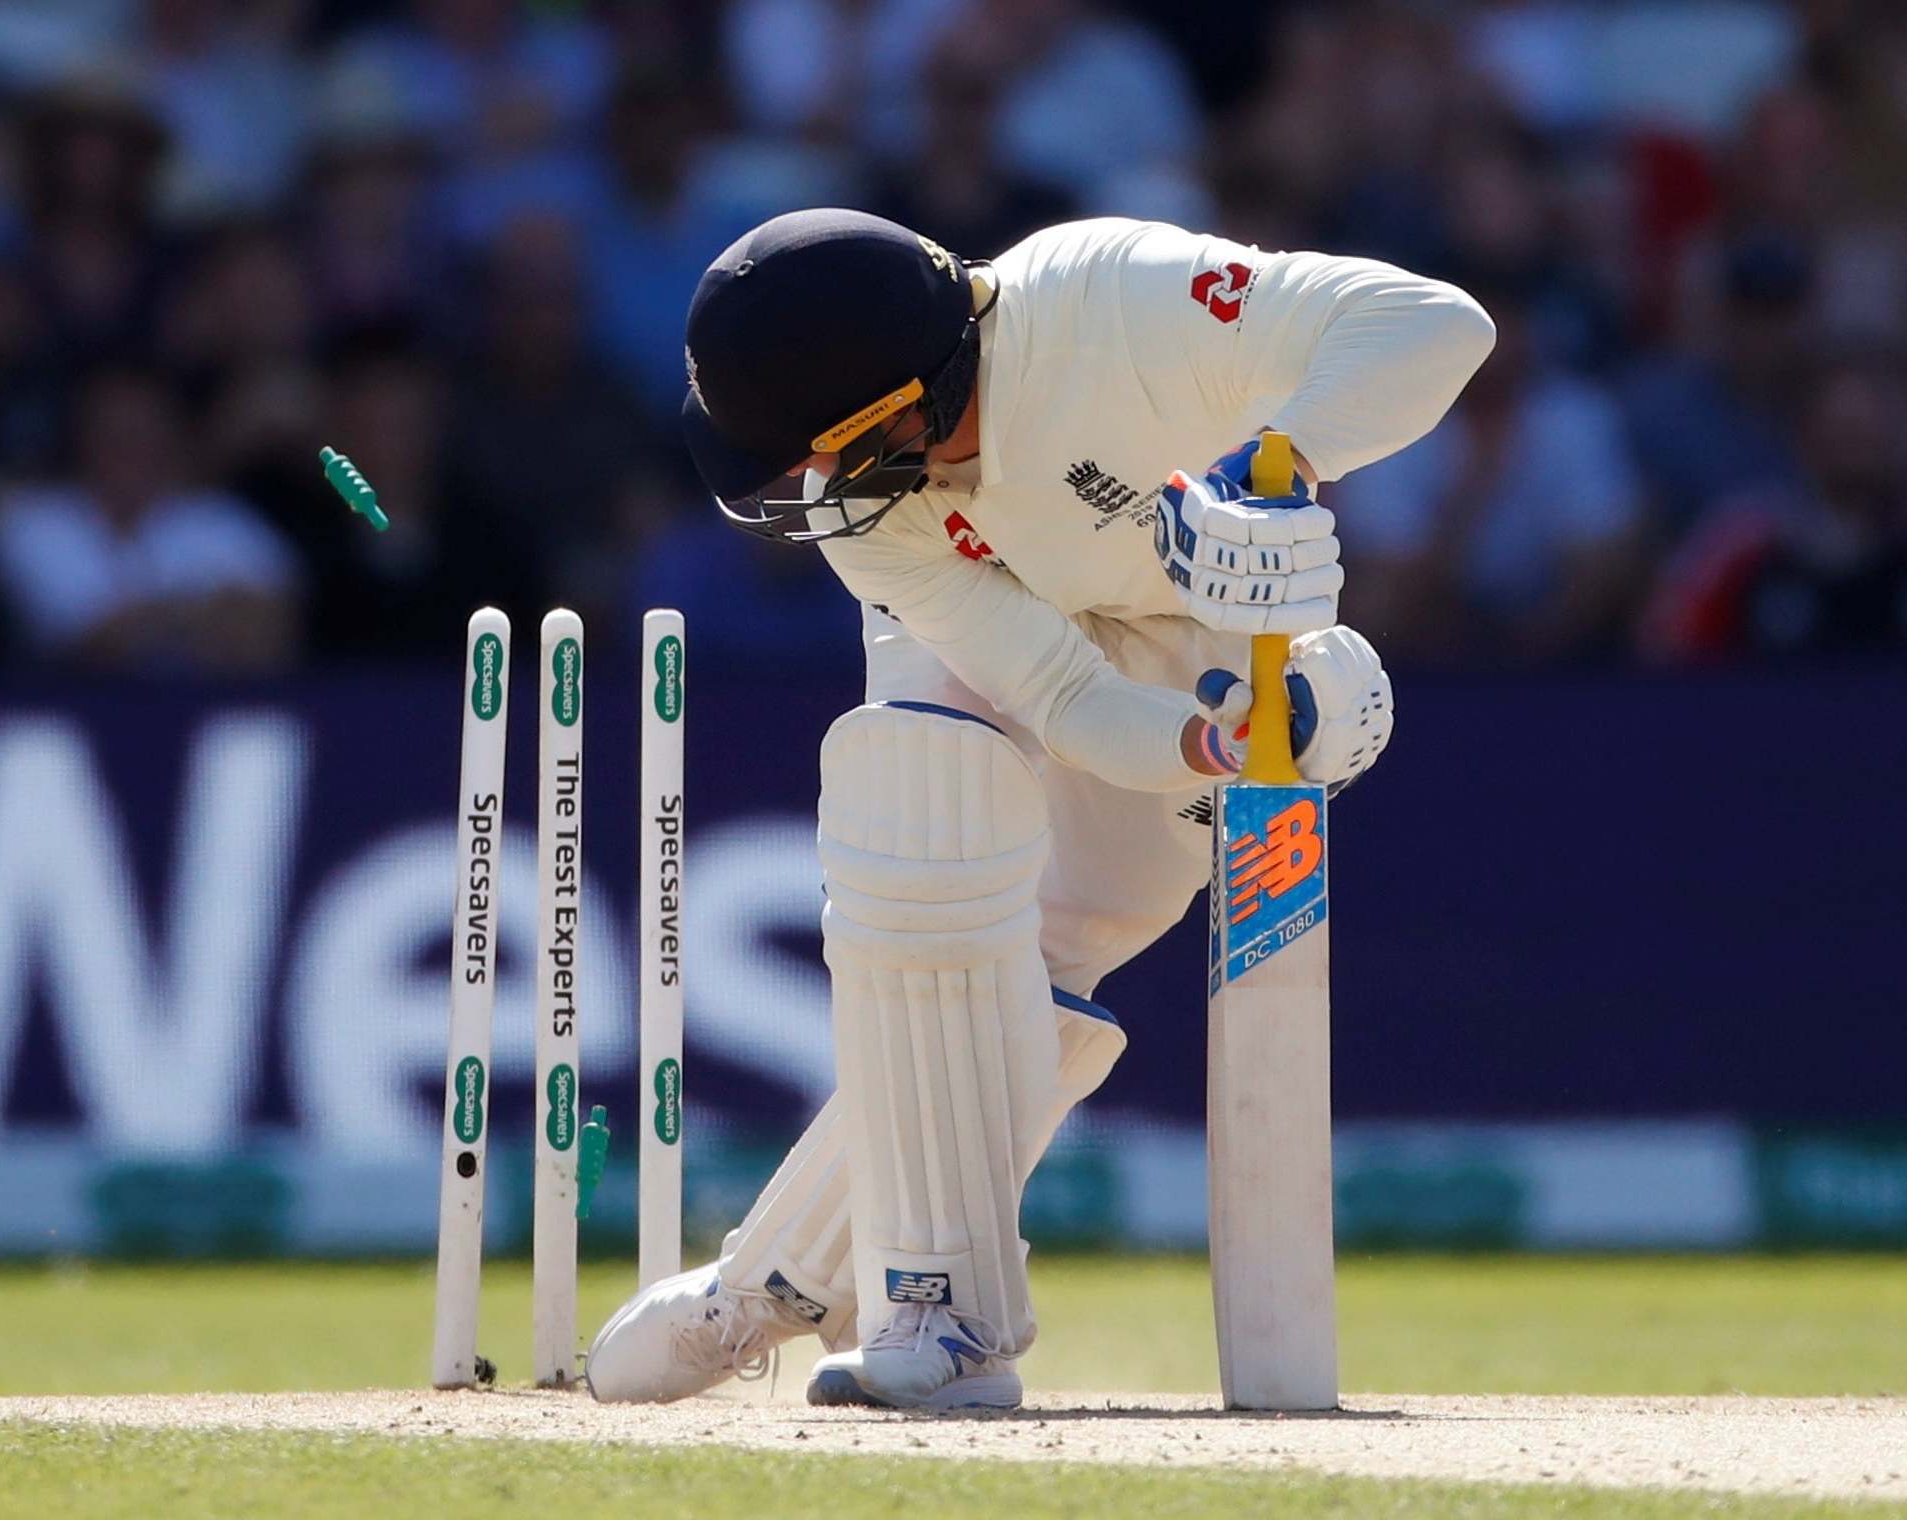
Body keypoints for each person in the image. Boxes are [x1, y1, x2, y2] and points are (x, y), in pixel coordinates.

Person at [586, 209, 1494, 1410]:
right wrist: (1196, 746)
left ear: (905, 403)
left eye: (819, 447)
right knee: (915, 798)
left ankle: (767, 1288)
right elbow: (1061, 691)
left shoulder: (1108, 301)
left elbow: (1437, 325)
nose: (807, 482)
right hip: (1048, 642)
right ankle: (944, 1309)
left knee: (1046, 965)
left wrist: (1272, 470)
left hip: (1206, 619)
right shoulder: (883, 515)